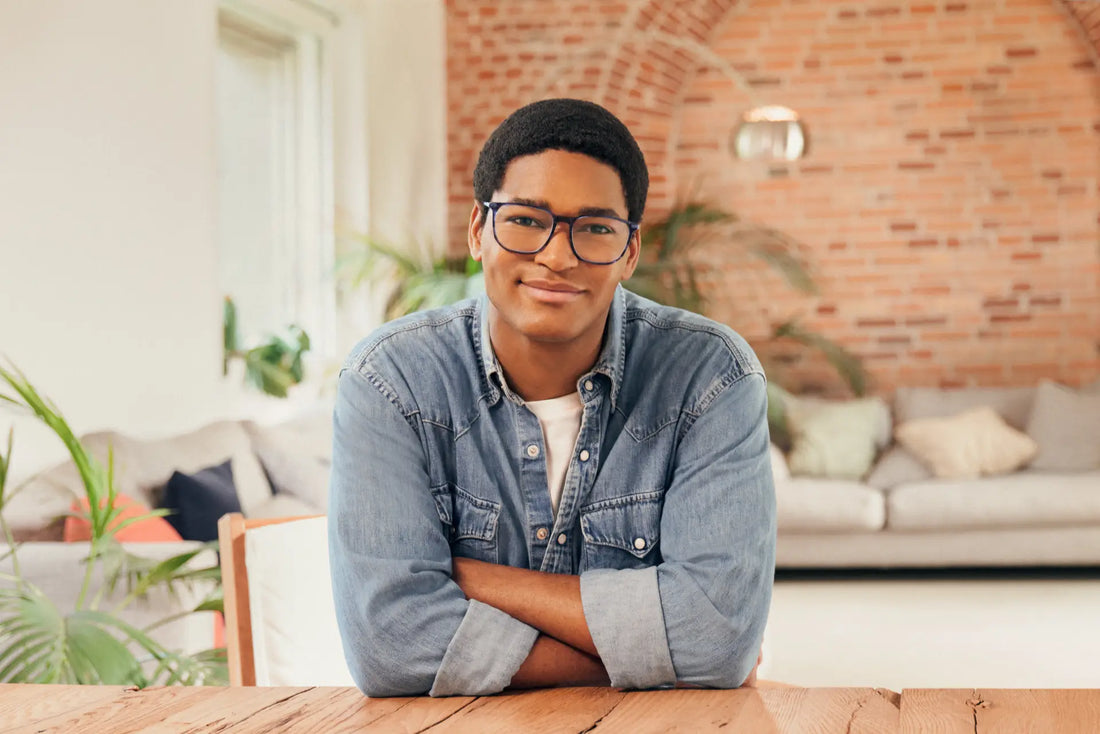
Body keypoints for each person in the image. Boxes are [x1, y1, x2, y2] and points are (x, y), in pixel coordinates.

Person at [329, 98, 776, 698]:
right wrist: (641, 656)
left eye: (595, 228)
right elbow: (392, 648)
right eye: (524, 220)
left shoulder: (711, 377)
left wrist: (475, 581)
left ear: (630, 253)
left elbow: (717, 638)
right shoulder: (391, 382)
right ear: (477, 232)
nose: (557, 256)